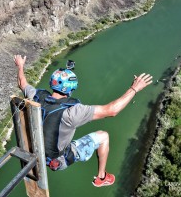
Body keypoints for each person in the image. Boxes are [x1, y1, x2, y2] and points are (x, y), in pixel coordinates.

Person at [14, 55, 153, 187]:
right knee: (104, 136)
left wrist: (20, 66)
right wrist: (134, 88)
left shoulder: (36, 96)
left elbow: (22, 83)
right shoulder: (73, 112)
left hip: (32, 151)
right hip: (56, 161)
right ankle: (101, 177)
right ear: (71, 88)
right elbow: (112, 110)